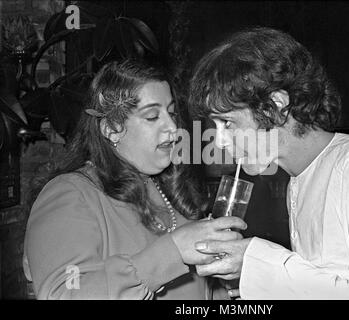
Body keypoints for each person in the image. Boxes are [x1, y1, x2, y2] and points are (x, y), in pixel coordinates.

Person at [188, 27, 349, 299]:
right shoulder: (297, 182)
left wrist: (257, 263)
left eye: (227, 122)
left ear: (276, 106)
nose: (219, 142)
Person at [22, 59, 246, 299]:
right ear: (111, 128)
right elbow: (65, 292)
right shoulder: (70, 194)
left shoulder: (172, 194)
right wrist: (173, 252)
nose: (172, 127)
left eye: (171, 113)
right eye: (152, 116)